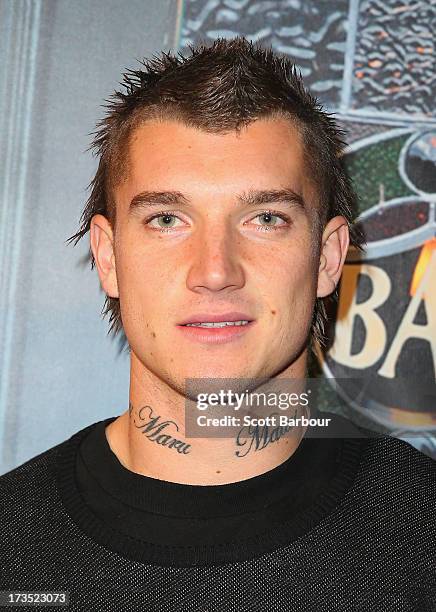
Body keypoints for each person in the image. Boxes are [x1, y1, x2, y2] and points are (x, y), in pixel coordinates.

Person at [0, 37, 435, 612]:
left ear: (328, 257)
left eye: (265, 218)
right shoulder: (12, 545)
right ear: (108, 257)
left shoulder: (420, 536)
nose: (214, 271)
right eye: (167, 218)